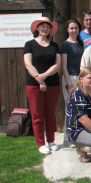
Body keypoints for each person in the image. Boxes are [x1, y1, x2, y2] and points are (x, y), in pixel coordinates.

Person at [23, 17, 61, 155]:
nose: (45, 29)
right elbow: (28, 64)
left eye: (47, 26)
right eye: (42, 26)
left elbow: (57, 65)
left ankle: (51, 141)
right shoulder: (29, 44)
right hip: (34, 85)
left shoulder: (54, 45)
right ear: (37, 29)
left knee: (50, 114)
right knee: (37, 114)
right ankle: (41, 143)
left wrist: (44, 76)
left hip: (53, 84)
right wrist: (40, 80)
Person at [61, 19, 84, 147]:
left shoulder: (79, 43)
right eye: (71, 28)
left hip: (80, 78)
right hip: (70, 78)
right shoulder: (65, 44)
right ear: (67, 30)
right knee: (70, 109)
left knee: (79, 108)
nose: (74, 30)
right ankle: (67, 139)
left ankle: (76, 136)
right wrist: (69, 82)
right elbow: (63, 66)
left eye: (76, 28)